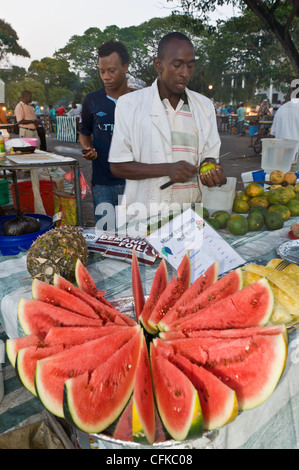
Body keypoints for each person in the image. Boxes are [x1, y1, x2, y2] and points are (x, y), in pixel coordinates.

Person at [109, 32, 226, 216]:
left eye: (190, 66)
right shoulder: (130, 104)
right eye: (177, 65)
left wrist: (211, 171)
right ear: (158, 64)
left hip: (191, 215)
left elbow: (209, 157)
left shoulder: (204, 106)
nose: (185, 73)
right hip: (145, 215)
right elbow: (117, 165)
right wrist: (167, 169)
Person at [79, 40, 134, 223]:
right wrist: (87, 149)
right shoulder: (91, 100)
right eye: (102, 71)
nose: (106, 76)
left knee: (136, 236)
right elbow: (84, 132)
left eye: (111, 70)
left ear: (125, 67)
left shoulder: (139, 100)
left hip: (135, 183)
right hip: (102, 183)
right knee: (106, 238)